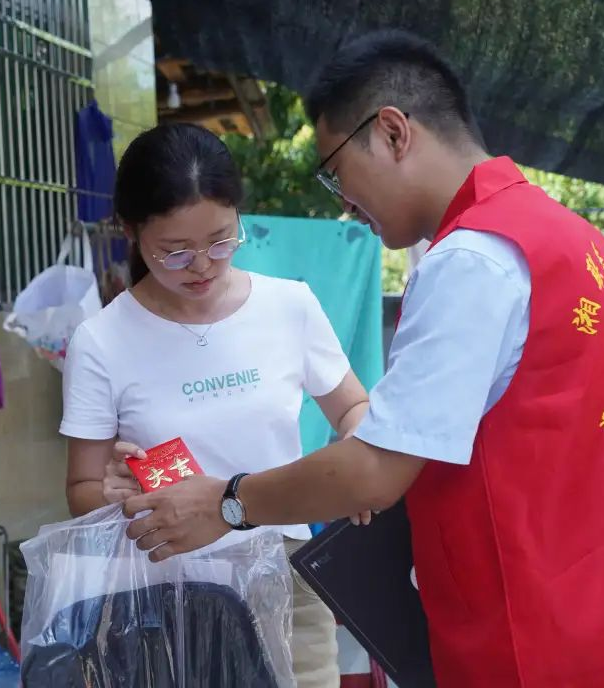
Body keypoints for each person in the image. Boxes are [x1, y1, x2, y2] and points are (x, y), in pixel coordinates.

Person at [121, 31, 604, 688]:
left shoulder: (470, 259)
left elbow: (374, 472)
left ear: (392, 133)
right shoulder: (567, 234)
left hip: (562, 641)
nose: (343, 203)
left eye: (336, 171)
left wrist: (227, 502)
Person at [60, 122, 371, 687]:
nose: (202, 265)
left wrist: (361, 449)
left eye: (221, 241)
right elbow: (82, 489)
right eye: (175, 252)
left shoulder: (289, 306)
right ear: (131, 231)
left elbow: (351, 408)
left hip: (286, 570)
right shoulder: (101, 341)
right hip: (171, 591)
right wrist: (111, 495)